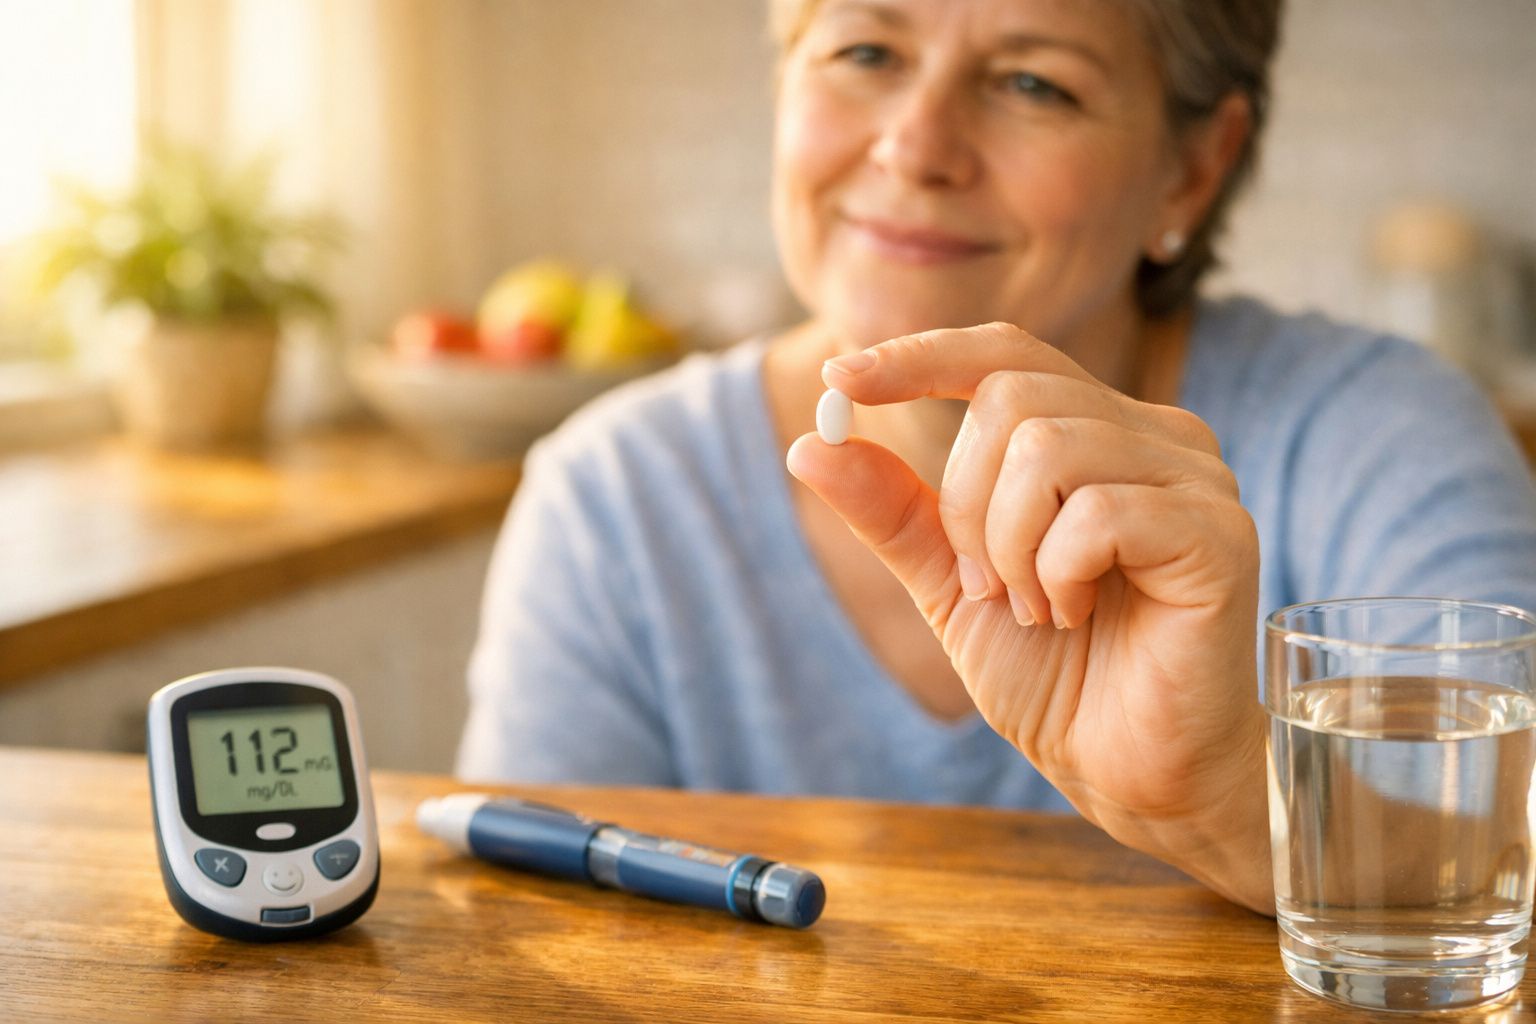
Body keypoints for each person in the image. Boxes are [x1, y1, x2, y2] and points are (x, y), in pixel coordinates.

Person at [455, 0, 1536, 914]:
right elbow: (526, 941)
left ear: (1191, 170)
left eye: (1032, 84)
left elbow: (1511, 839)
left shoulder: (1379, 431)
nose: (917, 148)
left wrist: (1226, 795)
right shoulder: (612, 495)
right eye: (865, 53)